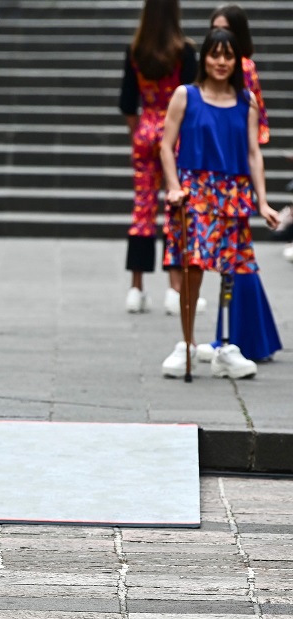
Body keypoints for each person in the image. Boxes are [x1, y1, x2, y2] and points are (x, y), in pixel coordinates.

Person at [160, 28, 280, 379]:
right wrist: (173, 186)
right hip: (195, 191)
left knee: (233, 268)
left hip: (233, 192)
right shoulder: (186, 95)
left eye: (228, 55)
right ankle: (187, 342)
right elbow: (166, 145)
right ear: (205, 58)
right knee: (193, 265)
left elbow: (254, 153)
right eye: (215, 54)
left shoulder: (246, 102)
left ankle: (226, 346)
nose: (221, 62)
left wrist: (262, 202)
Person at [192, 5, 282, 364]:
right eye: (214, 30)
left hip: (231, 174)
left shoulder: (242, 73)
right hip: (213, 177)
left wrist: (260, 196)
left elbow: (254, 131)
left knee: (238, 260)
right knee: (238, 260)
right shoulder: (204, 83)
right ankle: (245, 339)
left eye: (227, 31)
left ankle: (236, 340)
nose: (220, 39)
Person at [118, 0, 198, 314]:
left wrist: (138, 134)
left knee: (142, 209)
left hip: (145, 130)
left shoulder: (135, 51)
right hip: (175, 135)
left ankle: (136, 288)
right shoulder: (184, 51)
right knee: (175, 207)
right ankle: (174, 289)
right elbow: (192, 98)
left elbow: (128, 103)